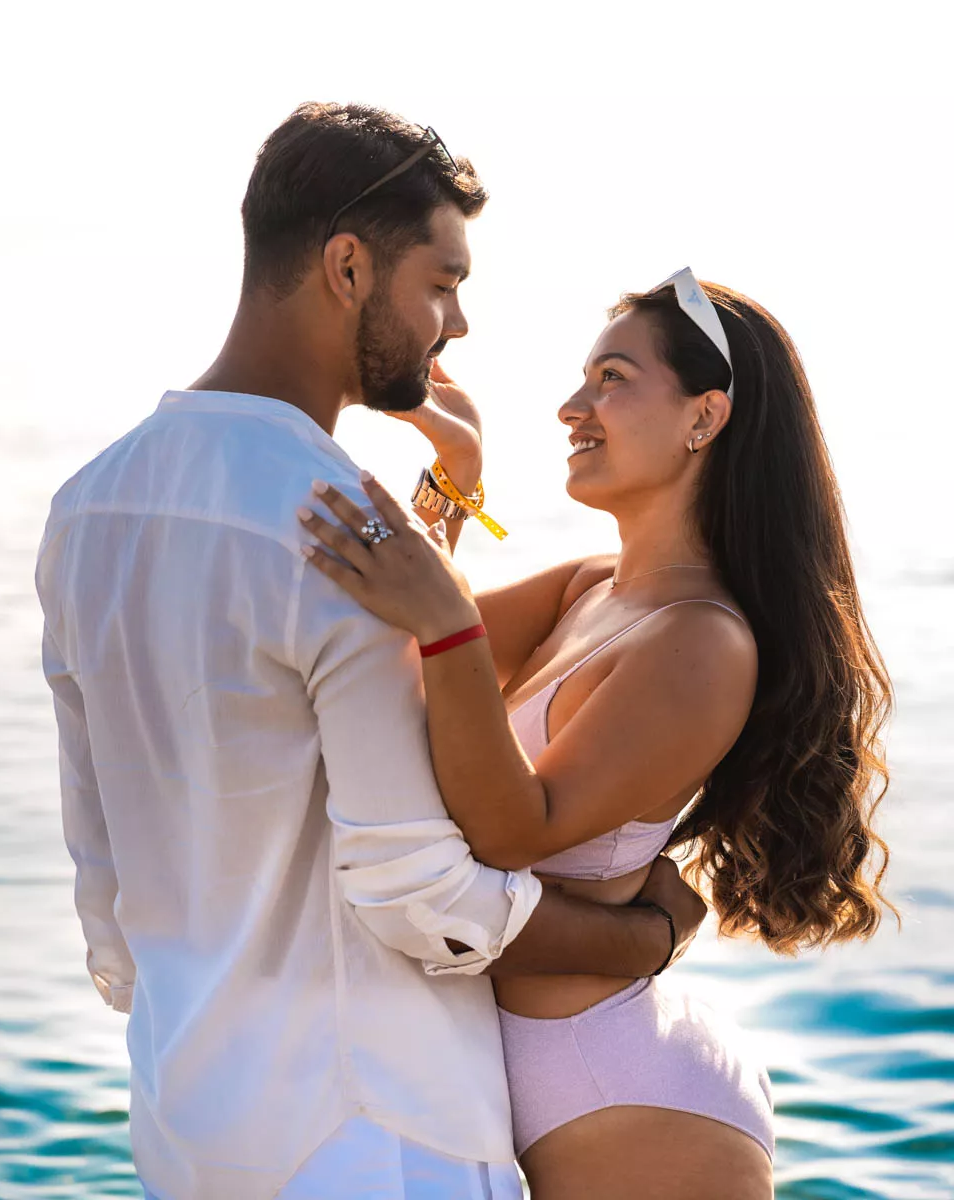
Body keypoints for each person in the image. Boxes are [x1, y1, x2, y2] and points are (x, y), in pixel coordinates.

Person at [35, 103, 707, 1200]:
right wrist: (646, 936)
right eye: (441, 283)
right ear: (348, 267)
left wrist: (445, 505)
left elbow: (106, 873)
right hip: (376, 1136)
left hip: (185, 1123)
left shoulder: (87, 508)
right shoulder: (345, 527)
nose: (458, 323)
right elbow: (422, 897)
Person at [300, 268, 894, 1200]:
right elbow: (384, 669)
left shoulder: (702, 640)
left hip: (617, 1094)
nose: (572, 406)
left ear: (704, 418)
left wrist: (444, 618)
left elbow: (513, 830)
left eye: (611, 378)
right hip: (498, 1069)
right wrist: (453, 489)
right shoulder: (590, 587)